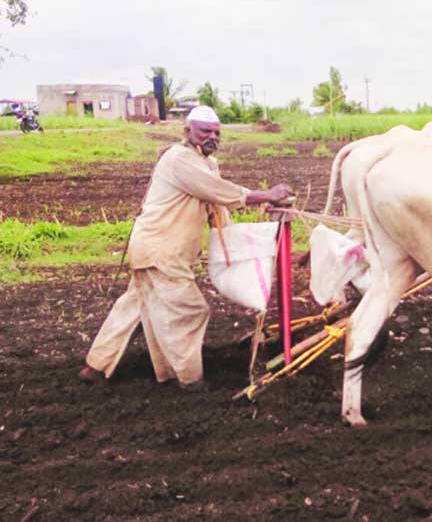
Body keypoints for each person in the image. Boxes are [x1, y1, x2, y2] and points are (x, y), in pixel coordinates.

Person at [79, 106, 292, 390]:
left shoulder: (206, 162)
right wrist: (266, 195)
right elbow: (217, 191)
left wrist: (241, 233)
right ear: (187, 131)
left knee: (136, 308)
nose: (212, 137)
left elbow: (216, 204)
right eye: (205, 131)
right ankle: (189, 380)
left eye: (216, 132)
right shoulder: (179, 159)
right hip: (162, 251)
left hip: (156, 248)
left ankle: (95, 367)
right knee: (189, 310)